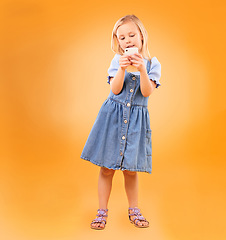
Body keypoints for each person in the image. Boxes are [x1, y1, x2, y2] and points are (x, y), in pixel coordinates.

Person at [80, 14, 161, 230]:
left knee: (131, 169)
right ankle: (102, 210)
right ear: (118, 42)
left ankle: (134, 209)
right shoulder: (117, 61)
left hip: (135, 122)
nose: (127, 40)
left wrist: (142, 69)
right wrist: (123, 68)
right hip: (113, 119)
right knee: (106, 168)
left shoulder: (153, 64)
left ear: (142, 36)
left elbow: (146, 92)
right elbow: (115, 89)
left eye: (131, 35)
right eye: (121, 37)